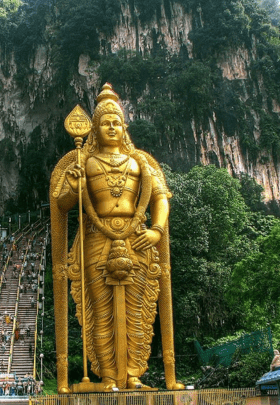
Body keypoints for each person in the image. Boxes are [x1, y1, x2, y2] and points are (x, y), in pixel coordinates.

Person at [50, 83, 184, 392]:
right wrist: (74, 184)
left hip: (137, 237)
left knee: (136, 310)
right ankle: (109, 377)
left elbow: (160, 198)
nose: (111, 127)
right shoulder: (84, 162)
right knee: (101, 311)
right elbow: (62, 204)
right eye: (104, 123)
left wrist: (156, 230)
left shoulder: (141, 163)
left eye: (116, 122)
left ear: (124, 127)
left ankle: (134, 375)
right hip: (97, 239)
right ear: (94, 128)